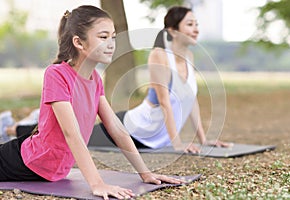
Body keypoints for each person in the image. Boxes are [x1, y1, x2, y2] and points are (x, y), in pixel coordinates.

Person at [0, 5, 183, 200]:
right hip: (26, 161)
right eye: (103, 37)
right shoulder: (57, 74)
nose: (112, 43)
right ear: (79, 42)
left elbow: (116, 128)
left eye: (113, 36)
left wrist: (145, 173)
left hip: (51, 170)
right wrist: (97, 183)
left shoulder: (95, 79)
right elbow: (71, 133)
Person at [98, 6, 232, 153]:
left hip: (155, 138)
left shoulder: (189, 57)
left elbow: (191, 101)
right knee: (81, 137)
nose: (196, 29)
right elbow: (164, 102)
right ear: (173, 31)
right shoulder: (160, 55)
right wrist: (178, 144)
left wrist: (203, 140)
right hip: (134, 129)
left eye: (196, 24)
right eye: (189, 24)